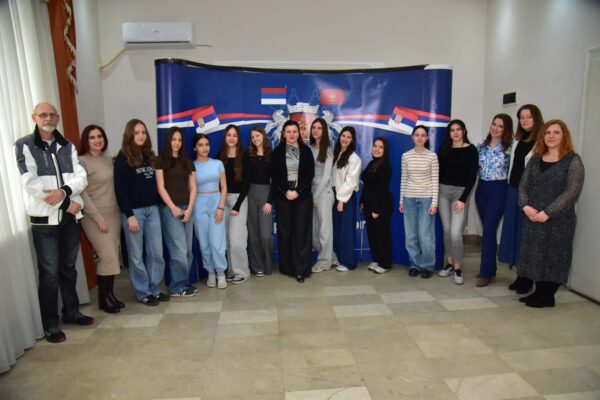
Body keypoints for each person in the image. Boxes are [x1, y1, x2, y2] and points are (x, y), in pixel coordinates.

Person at [14, 102, 93, 343]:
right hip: (44, 221)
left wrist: (65, 192)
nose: (48, 118)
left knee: (68, 267)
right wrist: (66, 203)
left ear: (57, 118)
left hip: (69, 219)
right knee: (49, 273)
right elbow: (31, 184)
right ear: (34, 118)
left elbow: (81, 177)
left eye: (52, 115)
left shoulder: (67, 145)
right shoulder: (24, 145)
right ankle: (49, 323)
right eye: (43, 115)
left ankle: (71, 312)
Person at [517, 120, 584, 308]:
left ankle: (548, 296)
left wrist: (548, 212)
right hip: (533, 216)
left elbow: (572, 191)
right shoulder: (535, 159)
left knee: (553, 256)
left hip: (558, 219)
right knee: (535, 255)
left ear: (564, 136)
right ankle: (538, 292)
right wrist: (525, 206)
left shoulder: (573, 160)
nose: (551, 136)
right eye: (547, 133)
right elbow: (523, 185)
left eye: (556, 132)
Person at [114, 119, 169, 306]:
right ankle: (142, 292)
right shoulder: (122, 159)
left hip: (152, 210)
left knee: (156, 253)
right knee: (136, 255)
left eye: (143, 132)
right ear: (130, 135)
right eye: (136, 133)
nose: (140, 136)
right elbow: (120, 191)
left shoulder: (150, 156)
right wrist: (129, 215)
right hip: (134, 213)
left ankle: (154, 289)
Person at [79, 125, 124, 313]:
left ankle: (110, 295)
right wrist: (98, 218)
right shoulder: (82, 162)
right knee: (107, 255)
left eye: (99, 136)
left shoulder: (107, 159)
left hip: (113, 213)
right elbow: (82, 193)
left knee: (112, 256)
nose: (97, 140)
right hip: (94, 215)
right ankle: (103, 299)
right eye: (92, 137)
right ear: (86, 141)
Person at [499, 104, 544, 294]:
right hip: (513, 190)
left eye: (528, 117)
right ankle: (520, 274)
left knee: (526, 236)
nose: (524, 120)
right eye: (521, 117)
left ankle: (527, 278)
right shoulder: (518, 141)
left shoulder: (541, 141)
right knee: (514, 233)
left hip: (530, 195)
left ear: (536, 118)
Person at [156, 127, 197, 298]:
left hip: (187, 208)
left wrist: (190, 209)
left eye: (179, 140)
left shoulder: (187, 161)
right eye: (173, 139)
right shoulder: (160, 160)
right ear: (168, 141)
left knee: (187, 252)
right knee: (178, 251)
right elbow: (160, 187)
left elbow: (193, 187)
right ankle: (176, 287)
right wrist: (173, 208)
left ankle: (182, 283)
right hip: (169, 210)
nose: (176, 143)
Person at [271, 120, 315, 283]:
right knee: (286, 232)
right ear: (283, 134)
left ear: (299, 133)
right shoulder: (277, 152)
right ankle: (287, 267)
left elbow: (310, 174)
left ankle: (301, 270)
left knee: (302, 233)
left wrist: (297, 191)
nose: (291, 134)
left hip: (302, 197)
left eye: (294, 131)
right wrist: (286, 191)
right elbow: (275, 176)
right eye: (288, 131)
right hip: (283, 197)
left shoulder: (306, 151)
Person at [436, 120, 478, 285]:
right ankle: (449, 264)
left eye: (458, 129)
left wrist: (463, 199)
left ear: (464, 131)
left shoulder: (471, 150)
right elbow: (438, 172)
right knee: (447, 231)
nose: (455, 133)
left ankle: (458, 268)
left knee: (455, 233)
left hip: (460, 194)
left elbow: (472, 176)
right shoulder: (444, 149)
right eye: (452, 130)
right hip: (443, 192)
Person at [475, 114, 513, 287]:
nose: (496, 128)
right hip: (481, 189)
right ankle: (491, 267)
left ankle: (485, 273)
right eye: (494, 124)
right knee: (487, 230)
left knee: (489, 229)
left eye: (500, 126)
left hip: (499, 190)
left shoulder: (510, 148)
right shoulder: (480, 145)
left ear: (506, 130)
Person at [399, 125, 439, 278]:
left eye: (423, 135)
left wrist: (434, 203)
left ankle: (427, 266)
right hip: (408, 199)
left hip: (426, 200)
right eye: (417, 135)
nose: (420, 137)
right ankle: (414, 264)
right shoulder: (406, 156)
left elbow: (435, 181)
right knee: (411, 236)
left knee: (425, 235)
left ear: (427, 137)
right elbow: (404, 179)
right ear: (412, 137)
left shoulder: (432, 156)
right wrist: (401, 201)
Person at [193, 134, 228, 289]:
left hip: (216, 202)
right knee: (204, 242)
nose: (204, 148)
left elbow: (224, 187)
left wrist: (220, 207)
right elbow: (191, 189)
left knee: (217, 242)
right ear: (195, 148)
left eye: (206, 144)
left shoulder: (218, 163)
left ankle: (221, 273)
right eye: (200, 145)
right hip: (199, 204)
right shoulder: (191, 166)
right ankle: (211, 273)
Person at [219, 124, 251, 284]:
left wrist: (237, 205)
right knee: (226, 239)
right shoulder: (219, 157)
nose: (232, 138)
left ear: (238, 139)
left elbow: (247, 183)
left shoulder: (244, 156)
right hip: (222, 200)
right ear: (225, 137)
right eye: (229, 135)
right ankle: (231, 271)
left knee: (237, 239)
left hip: (239, 199)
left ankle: (242, 272)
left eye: (235, 135)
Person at [360, 137, 393, 274]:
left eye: (380, 147)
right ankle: (377, 259)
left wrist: (377, 209)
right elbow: (367, 186)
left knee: (381, 235)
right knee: (372, 234)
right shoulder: (372, 163)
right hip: (369, 204)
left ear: (385, 150)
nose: (377, 149)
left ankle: (385, 263)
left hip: (380, 205)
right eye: (375, 146)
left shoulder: (385, 166)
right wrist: (362, 202)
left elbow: (381, 189)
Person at [332, 126, 362, 272]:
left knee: (346, 231)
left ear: (352, 140)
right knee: (337, 230)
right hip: (335, 195)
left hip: (345, 198)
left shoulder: (354, 158)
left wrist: (341, 200)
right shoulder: (337, 154)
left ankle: (349, 262)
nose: (345, 139)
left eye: (348, 137)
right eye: (343, 136)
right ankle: (340, 258)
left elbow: (351, 182)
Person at [245, 126, 274, 277]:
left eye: (257, 135)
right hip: (250, 194)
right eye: (252, 137)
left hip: (266, 194)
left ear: (263, 136)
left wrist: (269, 201)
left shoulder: (272, 154)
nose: (255, 139)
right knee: (253, 233)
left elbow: (276, 180)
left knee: (266, 235)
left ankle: (268, 265)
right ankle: (257, 266)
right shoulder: (248, 155)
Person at [309, 118, 335, 273]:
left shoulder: (329, 150)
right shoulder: (309, 148)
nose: (316, 130)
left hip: (324, 192)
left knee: (324, 229)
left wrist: (316, 196)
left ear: (324, 131)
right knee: (314, 231)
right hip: (311, 192)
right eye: (314, 127)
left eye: (319, 128)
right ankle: (331, 257)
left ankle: (324, 262)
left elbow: (326, 177)